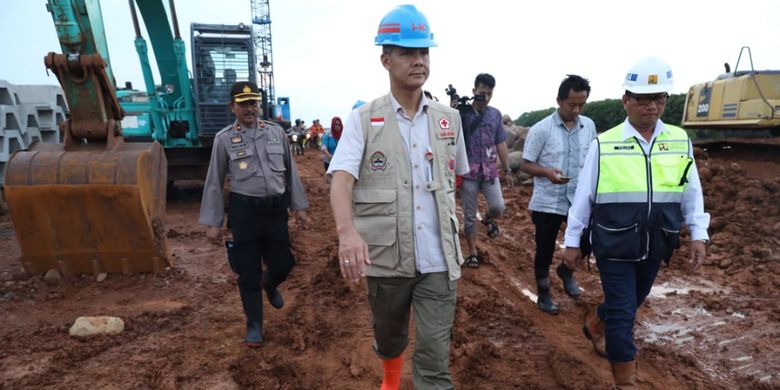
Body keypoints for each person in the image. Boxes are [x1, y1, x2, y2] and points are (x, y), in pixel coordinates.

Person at [327, 5, 469, 389]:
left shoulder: (448, 119)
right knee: (390, 337)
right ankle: (390, 381)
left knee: (435, 355)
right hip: (387, 256)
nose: (418, 61)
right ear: (385, 59)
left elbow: (456, 179)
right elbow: (340, 180)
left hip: (439, 257)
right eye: (407, 53)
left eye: (424, 53)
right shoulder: (363, 119)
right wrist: (347, 233)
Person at [562, 58, 709, 388]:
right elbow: (584, 196)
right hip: (614, 243)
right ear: (626, 100)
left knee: (631, 301)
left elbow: (692, 191)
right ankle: (625, 382)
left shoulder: (678, 140)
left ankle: (597, 322)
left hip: (657, 243)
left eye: (659, 98)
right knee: (624, 314)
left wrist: (699, 233)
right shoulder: (605, 143)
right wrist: (572, 242)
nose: (652, 105)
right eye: (643, 98)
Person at [199, 81, 309, 347]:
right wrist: (213, 222)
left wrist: (299, 206)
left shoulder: (276, 132)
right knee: (247, 272)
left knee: (284, 264)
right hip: (244, 212)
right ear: (232, 107)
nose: (250, 108)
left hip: (275, 211)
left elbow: (290, 172)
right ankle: (254, 325)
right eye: (243, 103)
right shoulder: (224, 138)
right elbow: (214, 180)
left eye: (254, 102)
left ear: (259, 104)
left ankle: (269, 283)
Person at [521, 75, 597, 314]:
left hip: (579, 200)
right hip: (548, 202)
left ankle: (566, 271)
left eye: (581, 105)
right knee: (544, 249)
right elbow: (525, 164)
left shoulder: (589, 126)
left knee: (589, 240)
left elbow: (594, 160)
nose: (576, 110)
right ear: (559, 100)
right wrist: (545, 172)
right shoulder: (541, 129)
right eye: (571, 104)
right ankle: (544, 293)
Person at [455, 73, 510, 268]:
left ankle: (487, 219)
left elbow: (501, 142)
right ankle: (472, 252)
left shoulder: (495, 114)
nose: (485, 97)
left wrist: (508, 169)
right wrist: (454, 110)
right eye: (481, 92)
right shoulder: (462, 112)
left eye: (489, 93)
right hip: (468, 171)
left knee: (498, 208)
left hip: (489, 170)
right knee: (469, 216)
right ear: (473, 91)